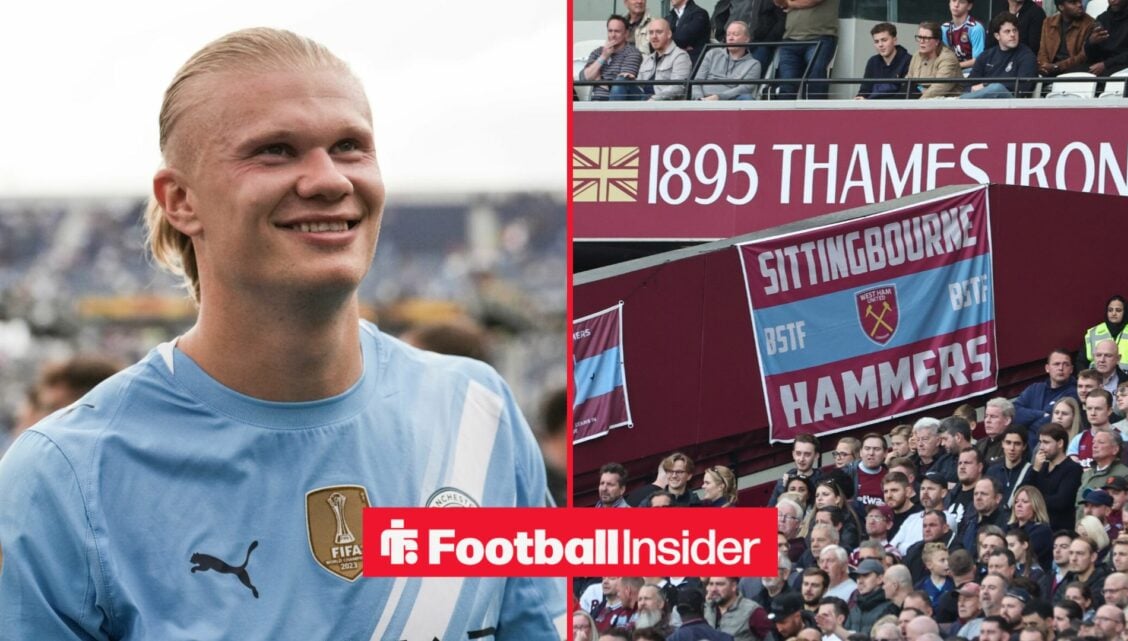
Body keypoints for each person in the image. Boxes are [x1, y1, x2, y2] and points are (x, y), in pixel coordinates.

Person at [0, 27, 562, 640]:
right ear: (181, 200)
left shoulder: (479, 415)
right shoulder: (68, 475)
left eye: (350, 146)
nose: (328, 179)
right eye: (275, 151)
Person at [613, 18, 693, 100]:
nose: (654, 36)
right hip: (643, 102)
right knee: (622, 81)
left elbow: (678, 88)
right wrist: (634, 81)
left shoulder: (680, 56)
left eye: (659, 32)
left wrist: (654, 99)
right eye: (651, 33)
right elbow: (640, 88)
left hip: (664, 106)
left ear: (669, 34)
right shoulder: (648, 59)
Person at [773, 0, 839, 99]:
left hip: (819, 37)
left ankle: (816, 113)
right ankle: (785, 115)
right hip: (790, 39)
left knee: (815, 80)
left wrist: (789, 3)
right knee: (787, 86)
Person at [962, 13, 1037, 99]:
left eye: (1015, 30)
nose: (1012, 34)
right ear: (997, 36)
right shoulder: (985, 56)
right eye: (1007, 31)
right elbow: (967, 86)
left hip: (1012, 105)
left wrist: (986, 85)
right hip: (983, 104)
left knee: (996, 88)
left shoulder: (1026, 55)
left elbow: (1024, 87)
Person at [1024, 423, 1084, 532]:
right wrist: (1035, 470)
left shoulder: (1073, 469)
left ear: (1060, 443)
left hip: (1059, 530)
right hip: (1035, 527)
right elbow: (1022, 492)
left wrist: (1032, 501)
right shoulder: (1040, 466)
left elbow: (1061, 501)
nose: (1041, 447)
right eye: (1040, 442)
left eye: (1046, 442)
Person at [1014, 350, 1078, 443]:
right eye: (1056, 364)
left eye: (1066, 364)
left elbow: (1045, 425)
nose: (1061, 368)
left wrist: (1027, 422)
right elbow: (1014, 412)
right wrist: (1041, 414)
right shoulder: (1034, 388)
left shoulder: (1074, 392)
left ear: (1071, 369)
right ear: (1047, 368)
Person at [691, 21, 764, 100]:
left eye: (735, 34)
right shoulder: (712, 53)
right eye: (728, 34)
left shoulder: (753, 64)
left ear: (746, 39)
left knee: (747, 98)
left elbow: (745, 88)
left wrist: (718, 97)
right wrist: (699, 99)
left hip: (730, 101)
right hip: (703, 99)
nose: (730, 38)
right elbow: (697, 81)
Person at [580, 15, 646, 101]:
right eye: (610, 31)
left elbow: (621, 85)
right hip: (594, 104)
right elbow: (585, 78)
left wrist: (598, 80)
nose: (613, 35)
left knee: (620, 81)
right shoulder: (597, 52)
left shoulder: (633, 53)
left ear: (626, 34)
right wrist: (603, 57)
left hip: (619, 105)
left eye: (617, 31)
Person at [908, 21, 966, 98]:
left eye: (926, 38)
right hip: (918, 99)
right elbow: (909, 80)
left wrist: (914, 105)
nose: (921, 41)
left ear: (937, 41)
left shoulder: (948, 58)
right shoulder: (916, 55)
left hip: (944, 104)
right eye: (920, 37)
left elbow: (939, 88)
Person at [856, 23, 913, 99]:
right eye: (876, 41)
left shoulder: (908, 60)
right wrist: (861, 97)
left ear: (895, 40)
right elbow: (864, 90)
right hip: (872, 107)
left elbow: (905, 93)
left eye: (884, 40)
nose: (880, 45)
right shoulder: (872, 62)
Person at [1038, 0, 1095, 77]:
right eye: (1073, 2)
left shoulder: (1089, 23)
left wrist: (1057, 67)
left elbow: (1083, 56)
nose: (1079, 5)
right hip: (1050, 68)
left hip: (1074, 68)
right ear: (1061, 7)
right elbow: (1042, 51)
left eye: (1079, 1)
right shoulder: (1048, 22)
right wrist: (1044, 66)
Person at [1082, 297, 1128, 371]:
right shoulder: (1093, 332)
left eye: (1118, 310)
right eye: (1110, 310)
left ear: (1125, 312)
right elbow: (1081, 361)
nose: (1114, 313)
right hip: (1097, 378)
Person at [770, 434, 824, 506]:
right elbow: (768, 514)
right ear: (793, 454)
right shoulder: (782, 483)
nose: (801, 459)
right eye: (798, 453)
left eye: (807, 454)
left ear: (816, 456)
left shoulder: (823, 484)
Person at [943, 0, 987, 72]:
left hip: (972, 72)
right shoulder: (944, 28)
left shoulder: (975, 28)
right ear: (949, 3)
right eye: (953, 1)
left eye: (961, 2)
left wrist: (955, 65)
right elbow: (944, 57)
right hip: (951, 71)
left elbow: (978, 60)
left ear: (969, 6)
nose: (956, 5)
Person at [666, 0, 712, 65]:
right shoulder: (670, 16)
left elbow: (682, 38)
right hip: (671, 63)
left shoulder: (699, 13)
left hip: (694, 65)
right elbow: (660, 40)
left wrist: (667, 40)